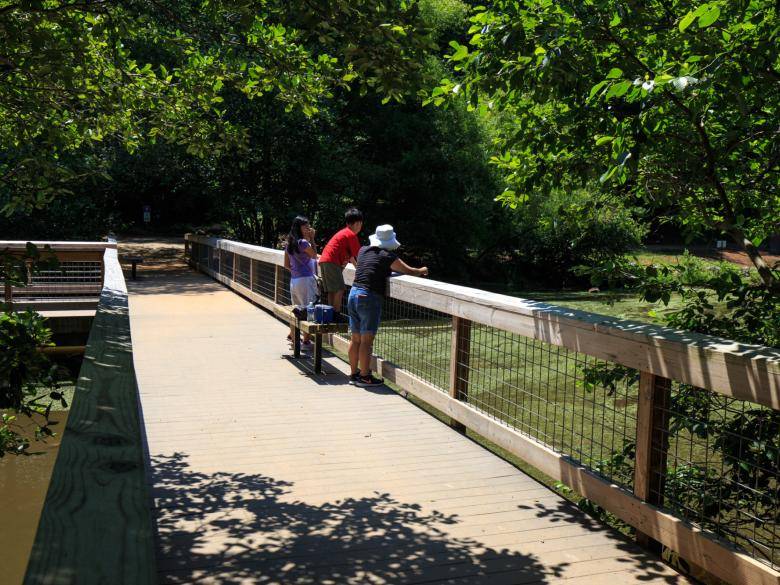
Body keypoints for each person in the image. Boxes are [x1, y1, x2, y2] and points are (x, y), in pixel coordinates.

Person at [348, 225, 428, 387]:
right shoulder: (387, 256)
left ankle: (354, 374)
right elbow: (409, 271)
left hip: (353, 293)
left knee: (355, 338)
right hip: (368, 297)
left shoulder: (363, 250)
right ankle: (365, 377)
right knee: (366, 341)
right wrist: (422, 270)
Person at [318, 207, 363, 312]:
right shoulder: (351, 235)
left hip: (324, 260)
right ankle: (336, 314)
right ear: (358, 224)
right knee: (339, 289)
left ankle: (330, 313)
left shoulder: (344, 233)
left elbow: (352, 257)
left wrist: (358, 268)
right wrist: (363, 269)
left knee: (331, 290)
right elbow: (359, 255)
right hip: (331, 261)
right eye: (360, 224)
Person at [284, 215, 318, 345]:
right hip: (306, 280)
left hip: (295, 281)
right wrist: (312, 239)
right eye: (305, 226)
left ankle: (293, 335)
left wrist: (296, 272)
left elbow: (286, 265)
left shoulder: (289, 244)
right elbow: (314, 255)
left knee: (297, 309)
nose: (308, 228)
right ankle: (306, 340)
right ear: (299, 228)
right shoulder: (303, 243)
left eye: (308, 226)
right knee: (308, 310)